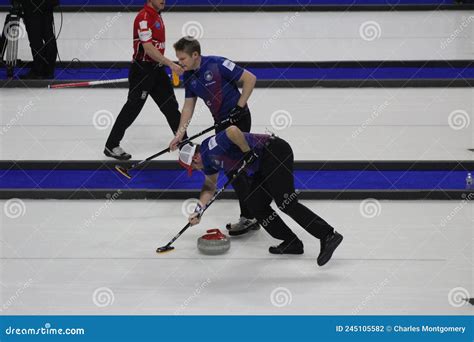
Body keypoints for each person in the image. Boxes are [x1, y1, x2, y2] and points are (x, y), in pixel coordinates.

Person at [178, 126, 343, 266]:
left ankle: (328, 235)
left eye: (193, 166)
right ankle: (291, 242)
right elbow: (209, 186)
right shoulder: (208, 162)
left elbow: (232, 130)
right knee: (255, 203)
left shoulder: (211, 148)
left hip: (274, 151)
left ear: (195, 157)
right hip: (260, 165)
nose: (197, 169)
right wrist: (198, 211)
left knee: (286, 202)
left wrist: (247, 152)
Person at [169, 36, 259, 236]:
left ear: (195, 55)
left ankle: (251, 215)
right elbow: (188, 107)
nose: (179, 63)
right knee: (232, 170)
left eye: (182, 58)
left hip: (238, 118)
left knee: (234, 169)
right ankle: (252, 213)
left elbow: (250, 79)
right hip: (221, 124)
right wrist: (179, 134)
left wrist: (239, 106)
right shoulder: (189, 77)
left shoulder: (217, 63)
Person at [104, 0, 185, 160]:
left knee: (170, 106)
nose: (163, 0)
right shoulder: (144, 18)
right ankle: (111, 145)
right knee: (133, 108)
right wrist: (171, 64)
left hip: (157, 69)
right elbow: (148, 48)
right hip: (143, 70)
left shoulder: (157, 15)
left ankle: (184, 142)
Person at [20, 0, 58, 79]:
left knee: (35, 37)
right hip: (47, 4)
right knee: (48, 34)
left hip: (31, 5)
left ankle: (39, 70)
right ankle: (49, 69)